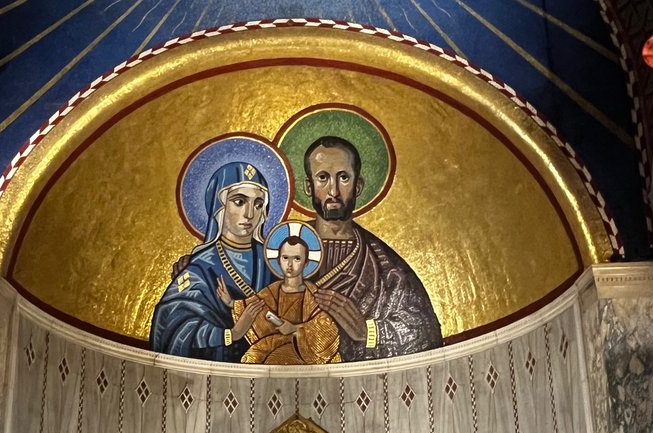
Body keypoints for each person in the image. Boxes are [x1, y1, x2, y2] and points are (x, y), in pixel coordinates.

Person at [303, 136, 443, 361]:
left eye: (344, 178)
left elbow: (426, 331)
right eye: (323, 178)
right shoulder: (280, 251)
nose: (333, 191)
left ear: (358, 186)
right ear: (308, 187)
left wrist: (369, 332)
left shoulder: (386, 265)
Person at [149, 162, 273, 361]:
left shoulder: (274, 262)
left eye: (258, 204)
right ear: (219, 207)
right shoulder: (199, 268)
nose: (250, 214)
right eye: (239, 202)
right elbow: (172, 323)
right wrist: (230, 334)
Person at [224, 234, 341, 365]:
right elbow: (256, 306)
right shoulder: (272, 291)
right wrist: (231, 303)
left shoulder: (314, 295)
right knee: (250, 359)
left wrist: (295, 329)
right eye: (285, 258)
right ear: (279, 260)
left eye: (297, 258)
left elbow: (326, 329)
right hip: (274, 341)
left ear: (306, 262)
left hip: (302, 350)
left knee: (275, 360)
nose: (290, 264)